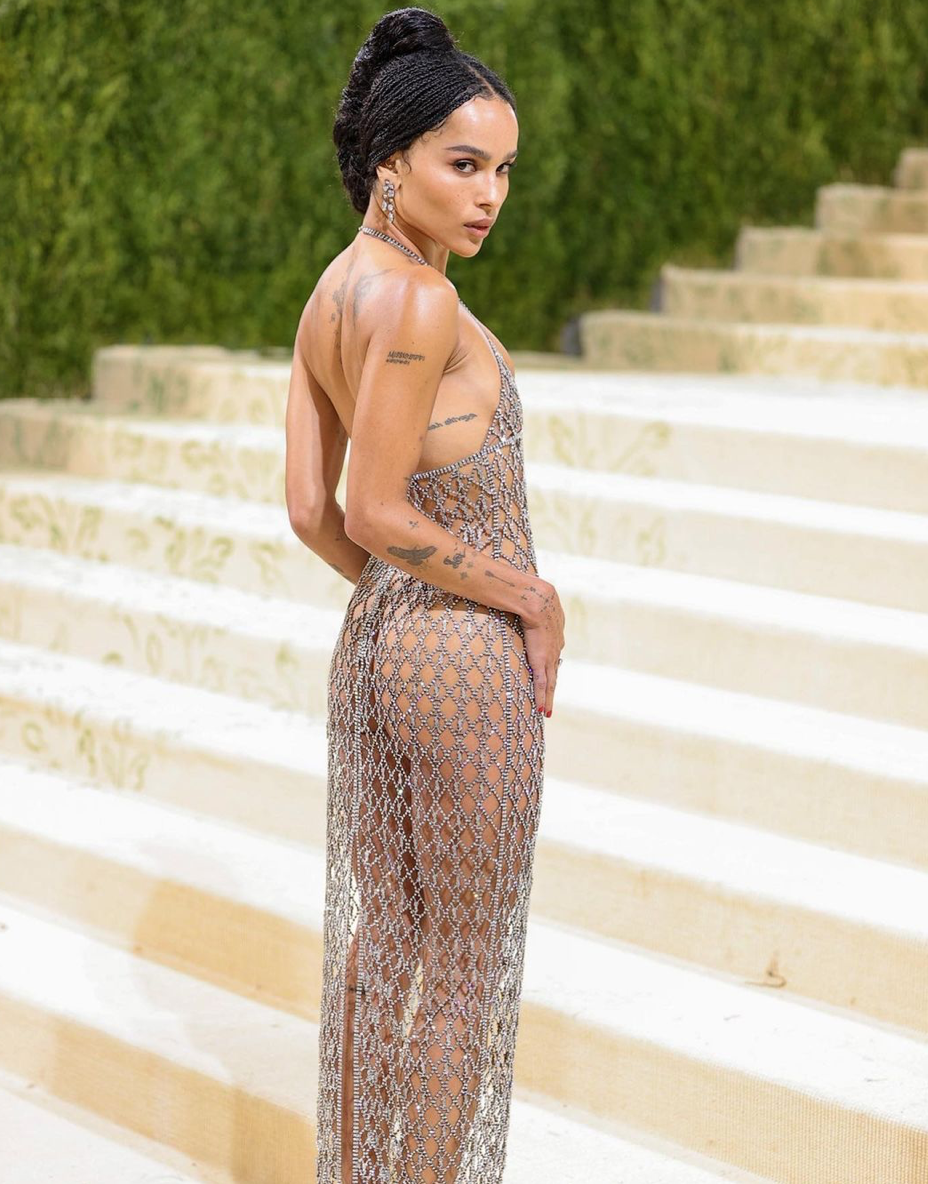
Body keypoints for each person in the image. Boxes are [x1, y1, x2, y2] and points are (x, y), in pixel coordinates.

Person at [284, 8, 565, 1182]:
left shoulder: (331, 292)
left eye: (502, 169)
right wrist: (523, 599)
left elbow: (308, 510)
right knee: (459, 969)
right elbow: (371, 508)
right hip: (460, 660)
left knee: (386, 941)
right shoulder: (417, 300)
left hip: (379, 644)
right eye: (463, 164)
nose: (489, 194)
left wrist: (400, 612)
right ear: (390, 162)